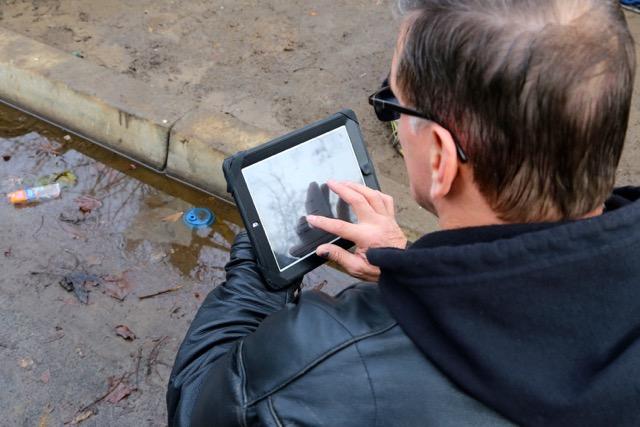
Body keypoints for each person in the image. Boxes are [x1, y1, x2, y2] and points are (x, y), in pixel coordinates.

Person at [167, 0, 639, 425]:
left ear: (439, 156)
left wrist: (261, 261)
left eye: (392, 102)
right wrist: (411, 268)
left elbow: (202, 406)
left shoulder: (315, 371)